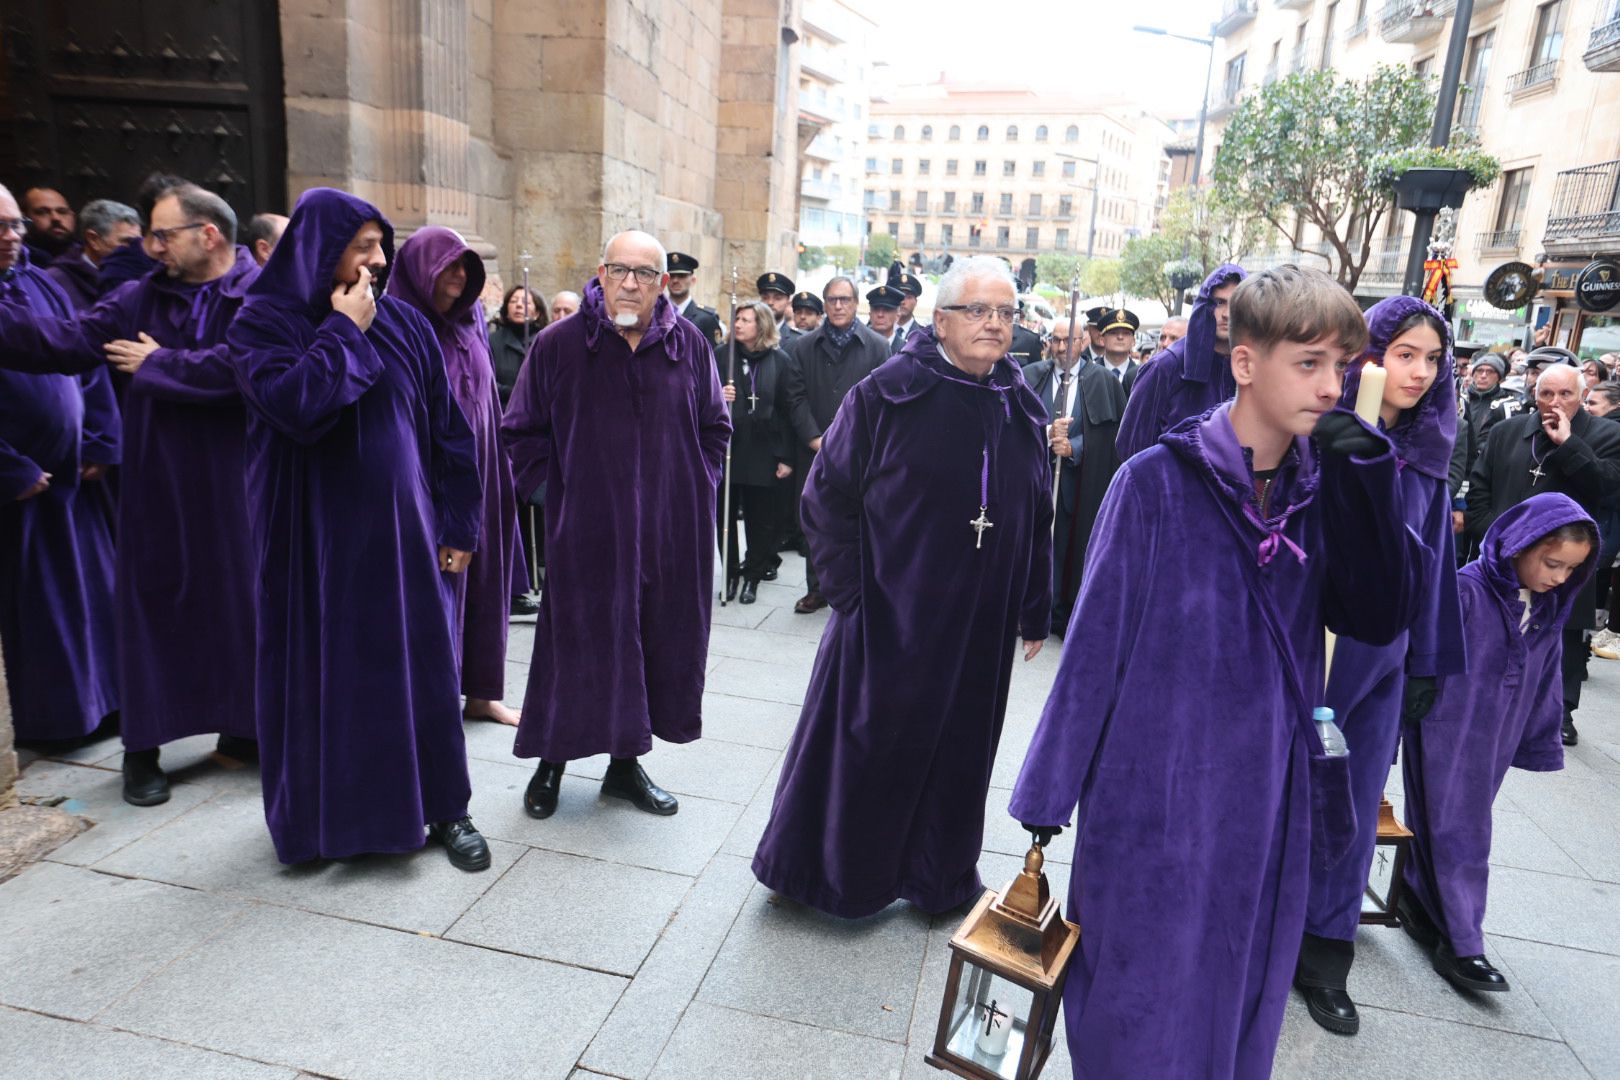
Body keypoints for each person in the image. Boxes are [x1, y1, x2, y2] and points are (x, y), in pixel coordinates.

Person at [1009, 265, 1424, 1080]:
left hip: (1264, 799)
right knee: (1131, 998)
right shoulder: (1155, 482)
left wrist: (1369, 485)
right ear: (1245, 362)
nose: (1330, 387)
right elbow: (1095, 647)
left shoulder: (1326, 486)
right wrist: (1045, 801)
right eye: (1308, 364)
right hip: (1148, 793)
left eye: (1341, 366)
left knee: (1235, 992)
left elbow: (1376, 616)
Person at [753, 256, 1052, 917]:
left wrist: (1034, 606)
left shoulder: (1022, 406)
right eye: (978, 311)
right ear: (942, 320)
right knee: (871, 750)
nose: (994, 325)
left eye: (1005, 313)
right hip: (891, 616)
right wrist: (852, 597)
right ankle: (839, 877)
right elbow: (825, 497)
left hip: (981, 625)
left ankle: (939, 876)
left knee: (961, 751)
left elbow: (1037, 514)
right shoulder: (887, 393)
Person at [229, 187, 490, 870]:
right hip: (311, 547)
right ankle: (327, 823)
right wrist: (343, 331)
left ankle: (446, 810)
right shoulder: (261, 323)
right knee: (327, 678)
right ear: (321, 249)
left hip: (404, 541)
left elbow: (449, 433)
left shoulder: (406, 323)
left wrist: (460, 522)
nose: (378, 260)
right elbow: (296, 407)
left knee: (422, 674)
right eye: (362, 246)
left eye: (382, 245)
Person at [0, 183, 259, 806]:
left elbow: (249, 369)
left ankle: (246, 729)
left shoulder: (258, 295)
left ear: (208, 234)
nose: (150, 246)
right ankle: (142, 753)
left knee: (241, 608)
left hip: (237, 488)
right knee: (151, 613)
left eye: (163, 234)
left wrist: (162, 365)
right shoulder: (137, 297)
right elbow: (59, 343)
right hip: (158, 488)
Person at [503, 231, 730, 821]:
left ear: (663, 282)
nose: (632, 283)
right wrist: (558, 496)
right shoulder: (558, 345)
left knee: (654, 642)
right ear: (601, 273)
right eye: (621, 270)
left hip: (667, 532)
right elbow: (521, 433)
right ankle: (551, 760)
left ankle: (626, 766)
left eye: (646, 273)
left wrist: (692, 489)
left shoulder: (690, 347)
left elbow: (715, 428)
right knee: (574, 645)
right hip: (586, 533)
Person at [1295, 297, 1468, 1035]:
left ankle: (1325, 955)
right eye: (1405, 354)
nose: (1420, 373)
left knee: (1350, 807)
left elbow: (1434, 569)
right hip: (1307, 645)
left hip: (1379, 660)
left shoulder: (1428, 458)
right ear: (1369, 355)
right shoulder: (1318, 429)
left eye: (1433, 360)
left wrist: (1425, 660)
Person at [1400, 496, 1597, 992]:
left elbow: (1547, 678)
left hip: (1498, 736)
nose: (1559, 578)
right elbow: (1424, 649)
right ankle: (1464, 943)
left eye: (1571, 570)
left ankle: (1419, 897)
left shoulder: (1548, 608)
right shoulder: (1466, 591)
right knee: (1463, 830)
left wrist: (1539, 739)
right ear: (1518, 546)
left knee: (1447, 822)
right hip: (1450, 727)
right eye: (1552, 564)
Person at [386, 226, 525, 728]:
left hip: (483, 476)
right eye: (447, 266)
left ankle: (483, 692)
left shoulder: (471, 327)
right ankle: (433, 700)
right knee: (440, 587)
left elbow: (487, 404)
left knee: (487, 586)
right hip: (431, 480)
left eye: (465, 267)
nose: (459, 276)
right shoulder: (399, 326)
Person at [0, 185, 119, 745]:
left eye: (14, 224)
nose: (11, 236)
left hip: (76, 482)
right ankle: (60, 721)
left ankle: (108, 706)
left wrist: (98, 438)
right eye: (0, 227)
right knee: (45, 615)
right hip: (22, 491)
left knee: (97, 600)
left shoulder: (41, 281)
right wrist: (11, 469)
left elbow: (84, 357)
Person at [1467, 356, 1620, 746]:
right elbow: (1481, 484)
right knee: (1493, 627)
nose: (1554, 402)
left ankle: (1560, 712)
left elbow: (1605, 486)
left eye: (1565, 394)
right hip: (1504, 557)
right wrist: (1495, 538)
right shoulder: (1508, 431)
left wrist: (1569, 444)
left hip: (1566, 559)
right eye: (1546, 393)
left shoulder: (1606, 435)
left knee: (1563, 636)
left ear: (1581, 397)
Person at [781, 276, 891, 614]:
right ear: (825, 304)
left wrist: (854, 439)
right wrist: (815, 437)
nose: (838, 306)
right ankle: (817, 588)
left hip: (860, 450)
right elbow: (794, 397)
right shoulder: (802, 347)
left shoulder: (876, 347)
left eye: (844, 299)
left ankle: (854, 585)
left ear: (856, 303)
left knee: (857, 519)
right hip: (813, 448)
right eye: (832, 300)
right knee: (815, 518)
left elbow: (883, 399)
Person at [1022, 316, 1126, 633]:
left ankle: (1061, 611)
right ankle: (1027, 611)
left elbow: (1110, 436)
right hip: (1034, 483)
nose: (1062, 346)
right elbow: (1013, 425)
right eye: (1056, 340)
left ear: (1083, 343)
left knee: (1068, 548)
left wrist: (1074, 448)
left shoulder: (1103, 382)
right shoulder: (1030, 376)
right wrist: (1046, 433)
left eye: (1069, 340)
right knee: (1030, 545)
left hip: (1076, 486)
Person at [1117, 264, 1246, 459]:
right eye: (1219, 302)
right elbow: (1131, 447)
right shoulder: (1165, 367)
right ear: (1205, 304)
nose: (1226, 313)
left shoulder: (1250, 368)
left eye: (1234, 304)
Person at [717, 299, 795, 604]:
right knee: (724, 516)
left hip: (764, 451)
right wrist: (719, 394)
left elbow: (789, 412)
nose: (738, 324)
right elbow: (698, 395)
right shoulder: (723, 356)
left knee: (760, 519)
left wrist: (786, 457)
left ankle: (753, 574)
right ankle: (731, 573)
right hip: (729, 450)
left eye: (746, 320)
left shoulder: (780, 361)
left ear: (761, 325)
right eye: (736, 319)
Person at [45, 199, 142, 311]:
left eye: (139, 241)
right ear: (93, 239)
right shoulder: (54, 282)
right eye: (127, 241)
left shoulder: (143, 276)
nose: (137, 248)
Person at [490, 285, 548, 408]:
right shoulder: (492, 341)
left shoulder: (546, 341)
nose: (519, 305)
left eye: (526, 302)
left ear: (537, 313)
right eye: (513, 301)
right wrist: (512, 392)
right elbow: (486, 381)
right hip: (503, 413)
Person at [667, 251, 724, 349]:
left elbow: (714, 356)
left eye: (681, 276)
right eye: (671, 276)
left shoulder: (707, 318)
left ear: (693, 280)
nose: (675, 281)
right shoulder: (655, 313)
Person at [22, 186, 75, 262]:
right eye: (42, 212)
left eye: (62, 211)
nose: (56, 218)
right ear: (24, 218)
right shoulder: (12, 262)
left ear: (73, 217)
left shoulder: (90, 259)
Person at [757, 271, 798, 343]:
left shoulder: (797, 340)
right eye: (765, 297)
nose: (770, 302)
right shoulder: (747, 336)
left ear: (787, 302)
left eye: (777, 298)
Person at [889, 263, 925, 342]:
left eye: (908, 297)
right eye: (899, 297)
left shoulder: (924, 337)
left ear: (916, 302)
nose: (903, 302)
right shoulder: (881, 331)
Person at [866, 283, 904, 353]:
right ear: (870, 314)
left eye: (887, 310)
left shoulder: (906, 350)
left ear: (897, 316)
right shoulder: (858, 347)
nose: (880, 315)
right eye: (876, 309)